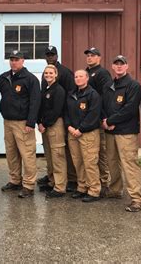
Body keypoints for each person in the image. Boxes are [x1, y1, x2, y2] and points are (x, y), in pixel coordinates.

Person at [0, 50, 41, 198]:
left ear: (23, 61)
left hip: (23, 123)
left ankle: (28, 185)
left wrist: (31, 122)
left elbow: (35, 102)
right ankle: (15, 181)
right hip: (8, 122)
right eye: (11, 59)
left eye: (17, 59)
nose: (14, 62)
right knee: (12, 153)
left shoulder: (30, 79)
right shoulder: (5, 77)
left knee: (27, 154)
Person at [102, 55, 141, 212]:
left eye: (122, 64)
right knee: (112, 162)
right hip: (110, 131)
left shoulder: (133, 86)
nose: (119, 66)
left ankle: (137, 198)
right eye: (116, 64)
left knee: (129, 163)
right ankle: (115, 190)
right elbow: (103, 105)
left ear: (127, 67)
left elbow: (130, 109)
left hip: (126, 132)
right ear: (112, 67)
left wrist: (111, 121)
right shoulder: (109, 85)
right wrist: (105, 120)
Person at [38, 46, 78, 192]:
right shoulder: (45, 79)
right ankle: (52, 179)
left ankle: (69, 181)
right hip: (47, 122)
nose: (50, 57)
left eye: (52, 55)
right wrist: (40, 121)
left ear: (57, 56)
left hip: (60, 119)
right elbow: (42, 101)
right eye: (47, 55)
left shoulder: (66, 74)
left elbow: (66, 100)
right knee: (50, 153)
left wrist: (68, 120)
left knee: (60, 152)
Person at [65, 70, 102, 202]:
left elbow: (93, 115)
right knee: (78, 162)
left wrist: (81, 129)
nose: (78, 78)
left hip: (88, 133)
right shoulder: (71, 94)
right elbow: (66, 112)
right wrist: (69, 126)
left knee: (90, 162)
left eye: (81, 76)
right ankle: (82, 187)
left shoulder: (93, 95)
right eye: (76, 76)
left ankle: (94, 190)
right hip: (73, 133)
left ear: (87, 78)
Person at [84, 47, 112, 196]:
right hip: (88, 118)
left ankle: (104, 182)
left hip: (99, 118)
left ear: (99, 58)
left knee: (101, 152)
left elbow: (106, 96)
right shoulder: (86, 73)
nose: (89, 58)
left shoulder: (102, 73)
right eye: (88, 55)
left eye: (93, 55)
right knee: (91, 153)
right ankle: (91, 182)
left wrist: (104, 117)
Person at [37, 65, 67, 198]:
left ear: (56, 75)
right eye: (46, 73)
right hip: (45, 125)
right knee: (49, 156)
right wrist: (40, 123)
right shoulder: (45, 89)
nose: (48, 75)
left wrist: (45, 123)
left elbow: (56, 111)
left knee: (57, 156)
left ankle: (60, 187)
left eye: (51, 73)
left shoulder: (59, 90)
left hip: (54, 125)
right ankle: (52, 181)